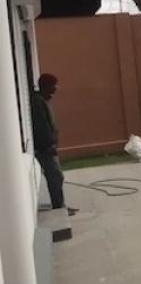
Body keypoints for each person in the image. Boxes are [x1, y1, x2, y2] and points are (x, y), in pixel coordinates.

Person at [31, 73, 77, 216]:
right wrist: (48, 145)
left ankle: (60, 205)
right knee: (56, 177)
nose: (56, 88)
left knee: (56, 176)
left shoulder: (42, 100)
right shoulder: (38, 102)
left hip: (48, 147)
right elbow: (41, 127)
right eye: (53, 85)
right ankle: (59, 208)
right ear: (46, 86)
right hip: (45, 149)